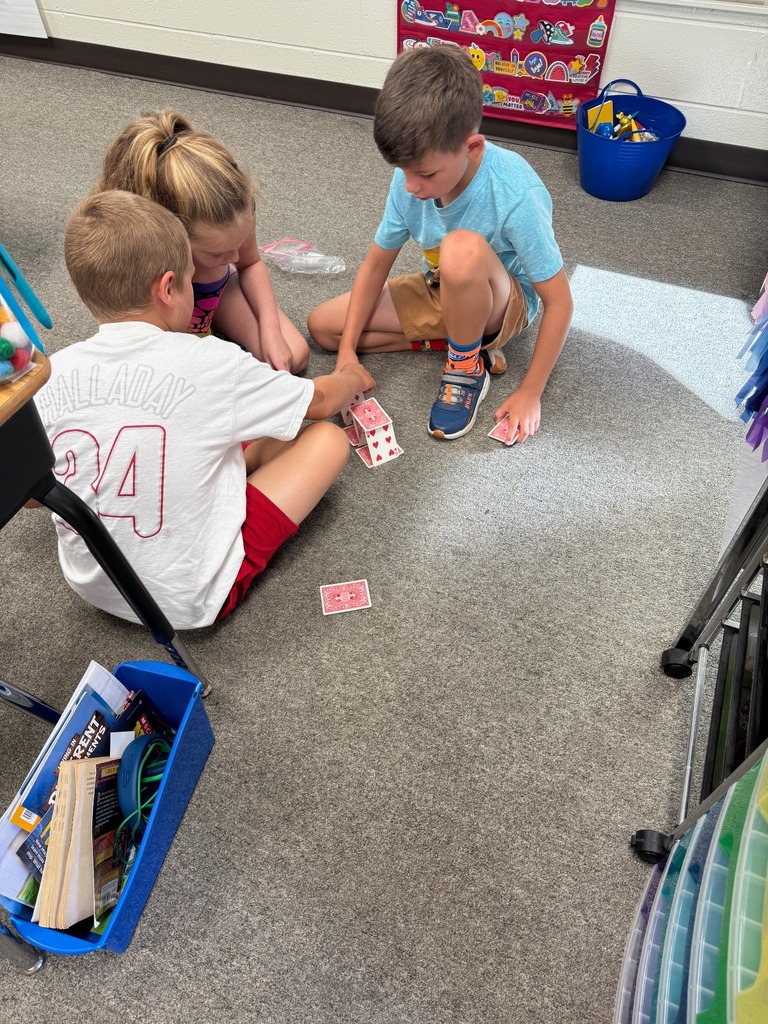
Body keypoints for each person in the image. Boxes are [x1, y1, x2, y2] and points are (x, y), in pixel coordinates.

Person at [33, 191, 375, 629]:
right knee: (325, 440)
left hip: (93, 585)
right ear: (168, 288)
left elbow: (31, 496)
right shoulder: (214, 361)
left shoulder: (49, 374)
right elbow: (321, 401)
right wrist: (350, 377)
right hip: (189, 602)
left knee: (212, 437)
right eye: (194, 280)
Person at [307, 47, 573, 443]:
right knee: (324, 328)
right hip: (443, 287)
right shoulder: (411, 179)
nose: (411, 187)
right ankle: (462, 347)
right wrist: (347, 354)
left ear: (472, 148)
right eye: (403, 171)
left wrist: (530, 393)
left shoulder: (517, 193)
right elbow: (376, 265)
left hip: (506, 304)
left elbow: (560, 303)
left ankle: (465, 369)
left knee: (460, 249)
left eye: (425, 174)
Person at [95, 109, 309, 373]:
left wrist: (271, 332)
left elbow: (250, 265)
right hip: (167, 315)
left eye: (236, 245)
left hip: (214, 296)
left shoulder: (233, 215)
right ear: (174, 238)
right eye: (218, 254)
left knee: (293, 356)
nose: (234, 258)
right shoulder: (142, 252)